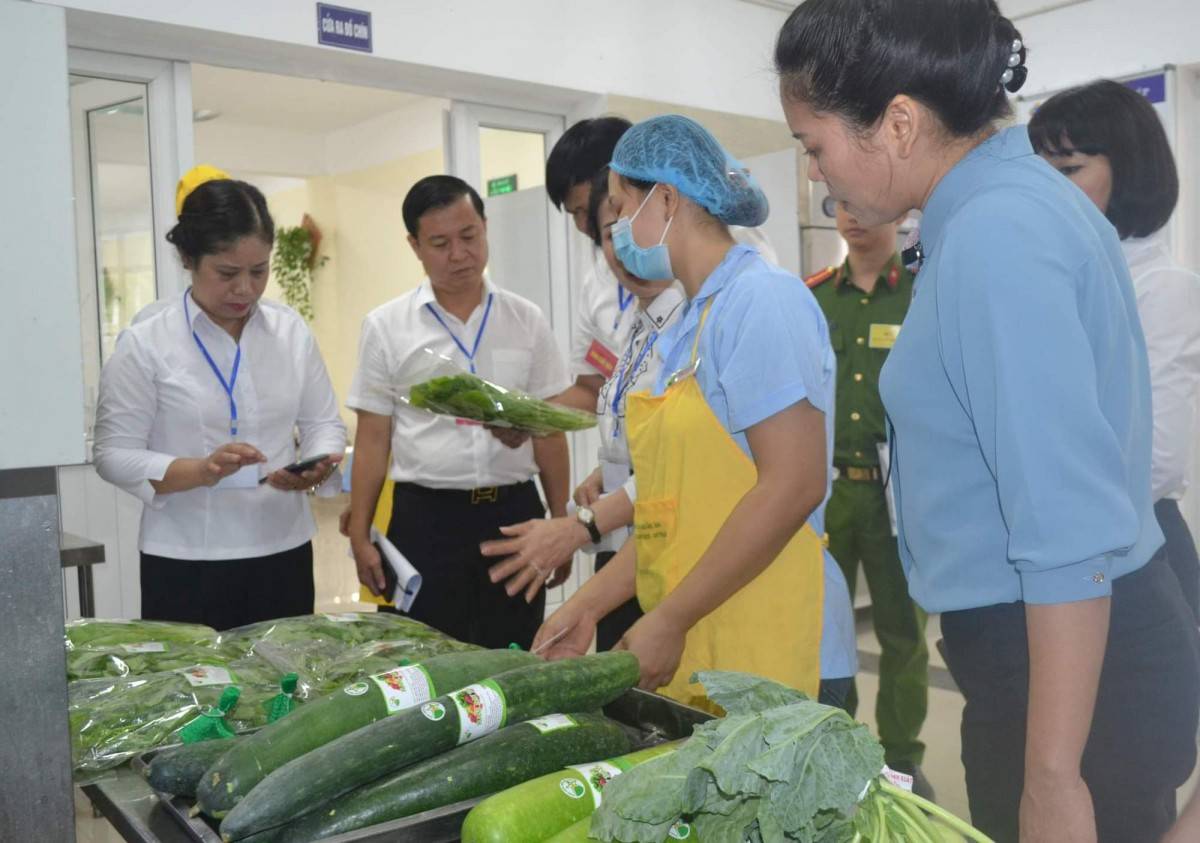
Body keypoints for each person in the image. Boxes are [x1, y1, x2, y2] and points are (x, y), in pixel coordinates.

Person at [774, 2, 1200, 841]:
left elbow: (1065, 523)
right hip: (1063, 651)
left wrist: (1051, 777)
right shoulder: (1000, 206)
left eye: (814, 146)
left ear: (897, 123)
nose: (817, 176)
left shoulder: (997, 232)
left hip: (1067, 670)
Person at [533, 115, 856, 712]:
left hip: (775, 640)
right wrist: (585, 607)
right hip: (710, 639)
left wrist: (672, 617)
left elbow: (793, 485)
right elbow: (668, 515)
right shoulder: (688, 325)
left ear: (666, 199)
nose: (618, 234)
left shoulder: (762, 300)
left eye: (623, 208)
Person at [93, 167, 347, 630]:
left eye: (259, 270)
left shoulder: (290, 333)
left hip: (283, 551)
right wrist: (199, 471)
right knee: (199, 695)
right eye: (227, 273)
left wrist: (314, 463)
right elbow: (112, 454)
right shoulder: (147, 341)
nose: (245, 289)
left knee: (285, 692)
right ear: (188, 258)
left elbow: (323, 423)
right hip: (186, 559)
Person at [344, 175, 572, 650]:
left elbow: (550, 431)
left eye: (469, 237)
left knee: (512, 658)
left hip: (513, 516)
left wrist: (560, 519)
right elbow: (372, 438)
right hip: (424, 520)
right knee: (420, 659)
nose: (459, 254)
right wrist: (361, 533)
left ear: (485, 228)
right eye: (440, 243)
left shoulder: (526, 319)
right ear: (415, 246)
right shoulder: (387, 326)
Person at [484, 165, 685, 650]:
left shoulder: (697, 321)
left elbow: (684, 467)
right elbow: (622, 415)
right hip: (629, 547)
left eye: (629, 225)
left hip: (675, 554)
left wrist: (578, 526)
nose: (622, 249)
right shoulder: (641, 321)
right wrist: (607, 471)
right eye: (608, 235)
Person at [1030, 80, 1200, 624]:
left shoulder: (1161, 287)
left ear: (1128, 170)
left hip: (1133, 547)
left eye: (1070, 170)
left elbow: (1156, 461)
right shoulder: (1060, 279)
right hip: (1069, 546)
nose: (1049, 192)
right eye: (1041, 173)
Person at [808, 203, 930, 791]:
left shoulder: (919, 294)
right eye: (840, 206)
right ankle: (840, 752)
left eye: (863, 205)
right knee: (829, 632)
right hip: (827, 488)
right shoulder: (814, 299)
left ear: (898, 211)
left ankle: (902, 759)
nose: (852, 217)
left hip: (899, 496)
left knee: (903, 633)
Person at [546, 116, 780, 411]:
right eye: (576, 215)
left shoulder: (750, 281)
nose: (585, 225)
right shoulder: (602, 279)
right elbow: (598, 385)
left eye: (617, 208)